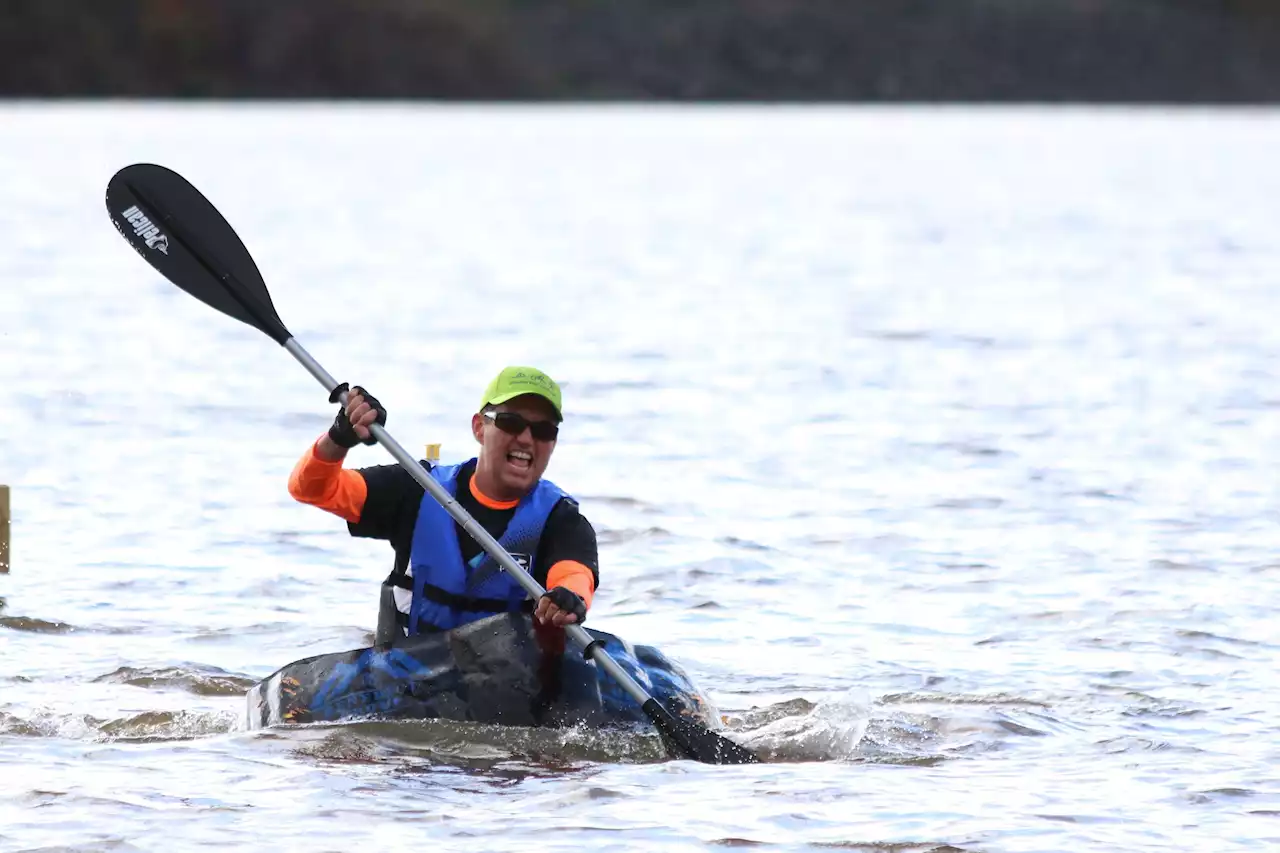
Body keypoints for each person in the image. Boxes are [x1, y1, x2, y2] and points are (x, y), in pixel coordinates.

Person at [286, 365, 599, 644]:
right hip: (408, 680)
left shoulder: (561, 519)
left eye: (543, 430)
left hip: (510, 688)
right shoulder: (419, 489)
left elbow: (574, 576)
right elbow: (310, 489)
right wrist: (338, 438)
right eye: (511, 422)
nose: (527, 439)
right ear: (479, 427)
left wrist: (567, 599)